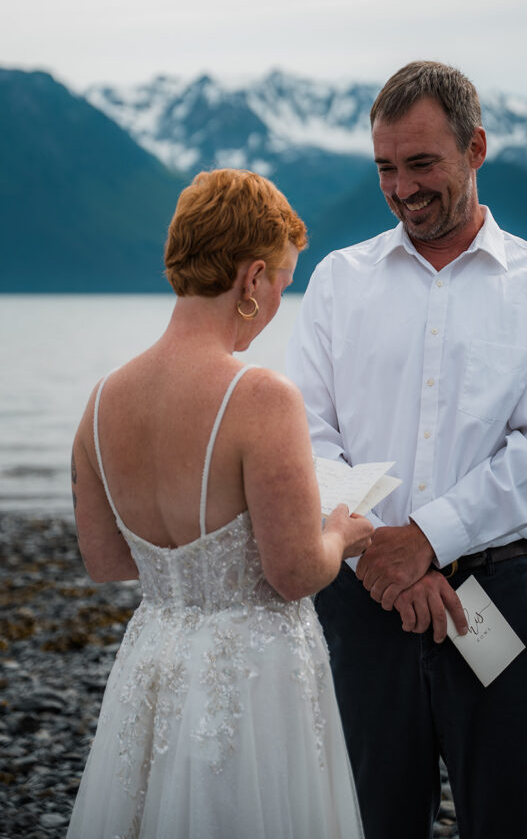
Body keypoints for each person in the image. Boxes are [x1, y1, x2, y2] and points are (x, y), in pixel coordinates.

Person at [286, 61, 527, 839]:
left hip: (491, 594)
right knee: (369, 820)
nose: (402, 187)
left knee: (510, 818)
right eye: (386, 167)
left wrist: (422, 541)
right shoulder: (335, 281)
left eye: (421, 163)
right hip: (359, 602)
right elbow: (307, 437)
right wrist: (381, 565)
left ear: (475, 148)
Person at [67, 168, 373, 839]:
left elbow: (105, 560)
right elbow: (294, 572)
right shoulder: (262, 397)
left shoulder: (100, 402)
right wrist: (341, 532)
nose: (273, 308)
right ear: (252, 277)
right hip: (253, 676)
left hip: (152, 660)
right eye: (282, 285)